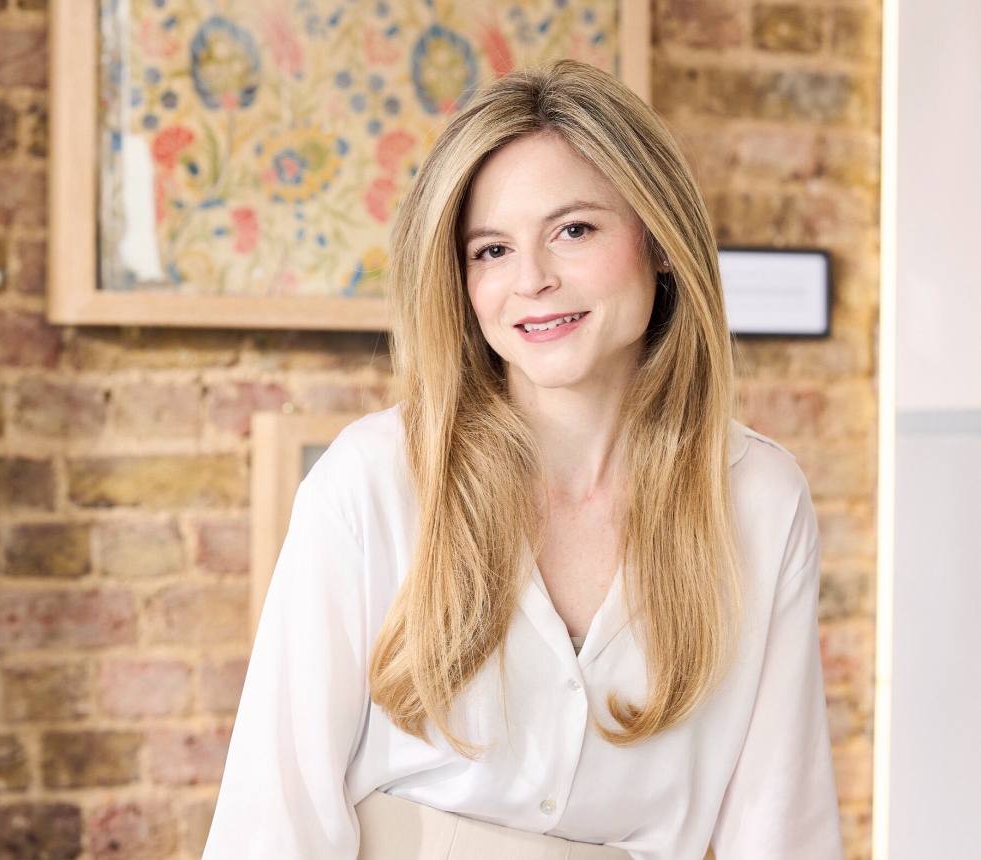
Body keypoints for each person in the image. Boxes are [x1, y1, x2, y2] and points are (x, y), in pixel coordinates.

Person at [202, 60, 843, 860]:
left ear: (662, 241)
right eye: (492, 250)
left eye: (573, 230)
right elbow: (274, 818)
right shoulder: (371, 480)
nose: (531, 280)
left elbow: (780, 823)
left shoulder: (760, 499)